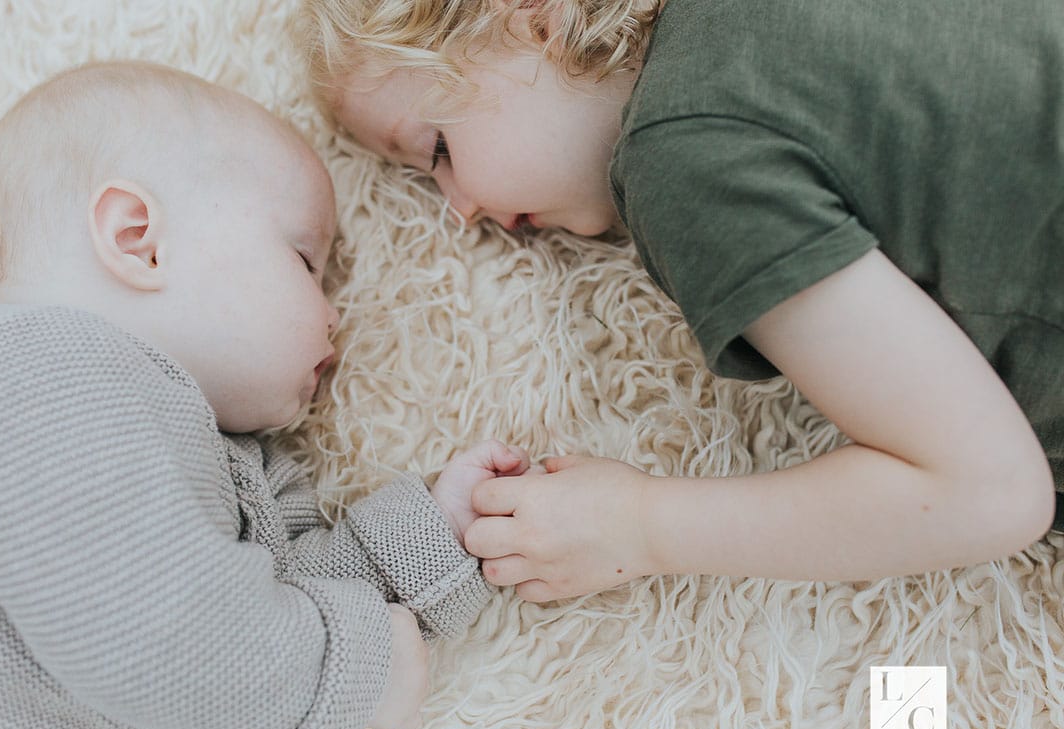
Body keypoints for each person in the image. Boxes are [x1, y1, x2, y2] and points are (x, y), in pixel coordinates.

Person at [0, 61, 533, 729]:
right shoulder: (39, 367)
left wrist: (436, 534)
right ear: (139, 240)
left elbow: (259, 611)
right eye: (306, 261)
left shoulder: (226, 467)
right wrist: (354, 673)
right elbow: (153, 631)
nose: (334, 309)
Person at [296, 0, 1063, 601]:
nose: (456, 209)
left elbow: (988, 491)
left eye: (436, 151)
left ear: (534, 15)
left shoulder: (680, 154)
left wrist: (640, 527)